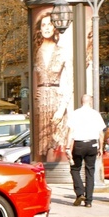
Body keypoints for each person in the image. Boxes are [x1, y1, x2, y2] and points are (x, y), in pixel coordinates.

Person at [33, 12, 72, 162]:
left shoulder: (62, 52)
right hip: (40, 102)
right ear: (40, 29)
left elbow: (70, 81)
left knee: (53, 142)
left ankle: (49, 175)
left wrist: (62, 107)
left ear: (55, 27)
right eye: (44, 25)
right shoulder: (36, 52)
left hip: (56, 101)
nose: (47, 28)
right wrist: (32, 94)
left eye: (50, 24)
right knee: (40, 142)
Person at [65, 94, 106, 208]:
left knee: (75, 169)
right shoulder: (95, 114)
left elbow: (70, 132)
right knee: (90, 172)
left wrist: (68, 147)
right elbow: (101, 133)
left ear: (81, 101)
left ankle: (79, 193)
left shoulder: (75, 114)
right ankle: (89, 201)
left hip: (79, 144)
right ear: (90, 102)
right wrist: (101, 147)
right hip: (92, 144)